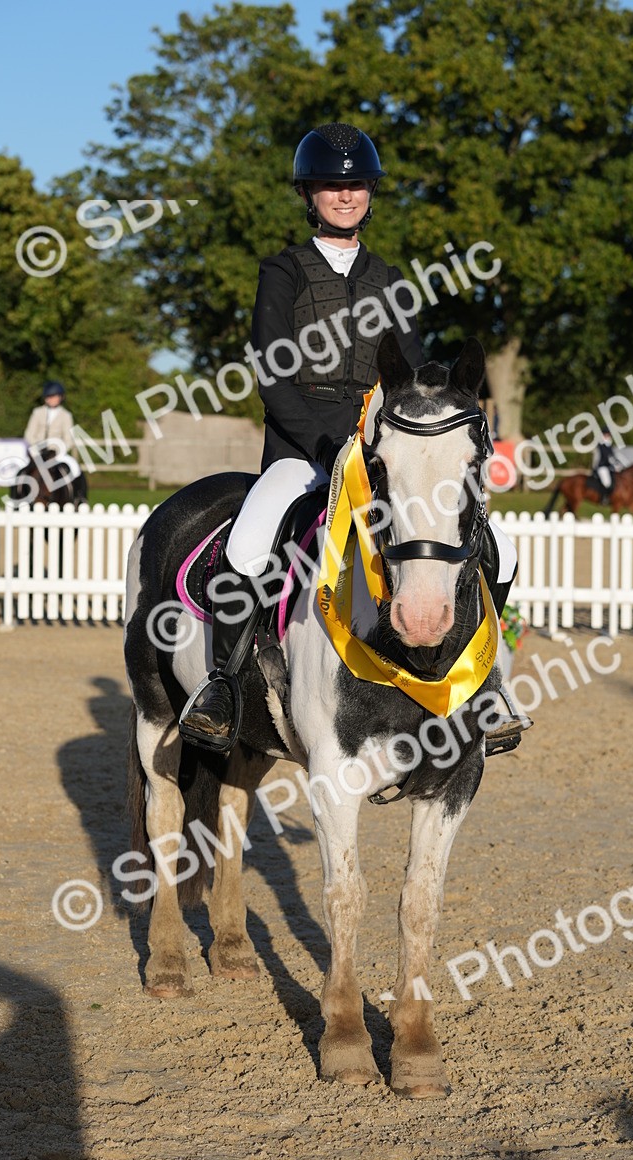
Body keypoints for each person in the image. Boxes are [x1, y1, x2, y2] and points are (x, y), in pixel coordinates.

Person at [179, 122, 529, 754]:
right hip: (302, 452)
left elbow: (413, 375)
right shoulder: (283, 272)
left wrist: (421, 421)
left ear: (370, 193)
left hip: (380, 453)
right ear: (308, 194)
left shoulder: (391, 280)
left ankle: (488, 685)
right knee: (250, 543)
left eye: (357, 185)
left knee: (498, 545)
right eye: (330, 186)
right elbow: (273, 374)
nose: (345, 196)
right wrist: (322, 445)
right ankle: (222, 687)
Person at [23, 381, 85, 500]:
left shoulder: (66, 415)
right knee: (22, 471)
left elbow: (68, 439)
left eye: (54, 396)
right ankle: (17, 495)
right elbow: (29, 434)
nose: (51, 399)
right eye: (49, 397)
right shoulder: (37, 412)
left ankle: (79, 496)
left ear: (61, 397)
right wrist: (38, 446)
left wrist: (59, 450)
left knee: (75, 469)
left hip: (56, 452)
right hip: (38, 451)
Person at [592, 430, 623, 501]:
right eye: (606, 434)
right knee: (607, 483)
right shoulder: (600, 445)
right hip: (602, 466)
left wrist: (618, 464)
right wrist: (613, 463)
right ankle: (604, 497)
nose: (608, 436)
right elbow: (605, 457)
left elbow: (612, 456)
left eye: (609, 434)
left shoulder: (609, 445)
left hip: (609, 467)